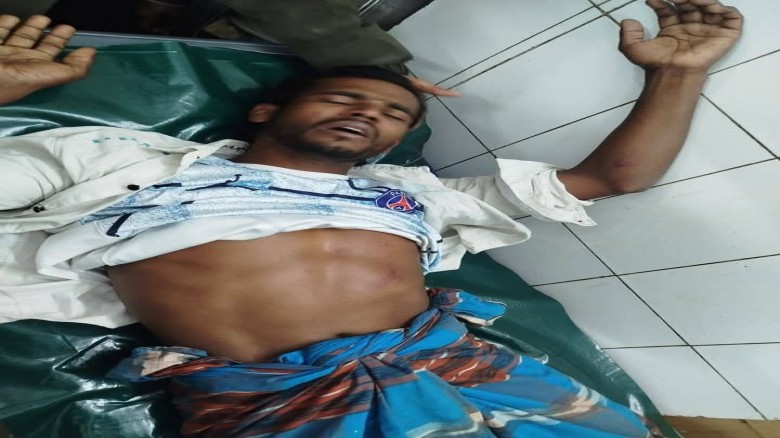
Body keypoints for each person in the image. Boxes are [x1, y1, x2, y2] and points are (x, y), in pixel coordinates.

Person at [0, 0, 742, 436]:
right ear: (264, 112)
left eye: (393, 113)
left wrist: (678, 72)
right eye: (343, 97)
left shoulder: (415, 196)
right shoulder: (125, 165)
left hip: (463, 369)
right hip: (282, 397)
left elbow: (613, 177)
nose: (368, 113)